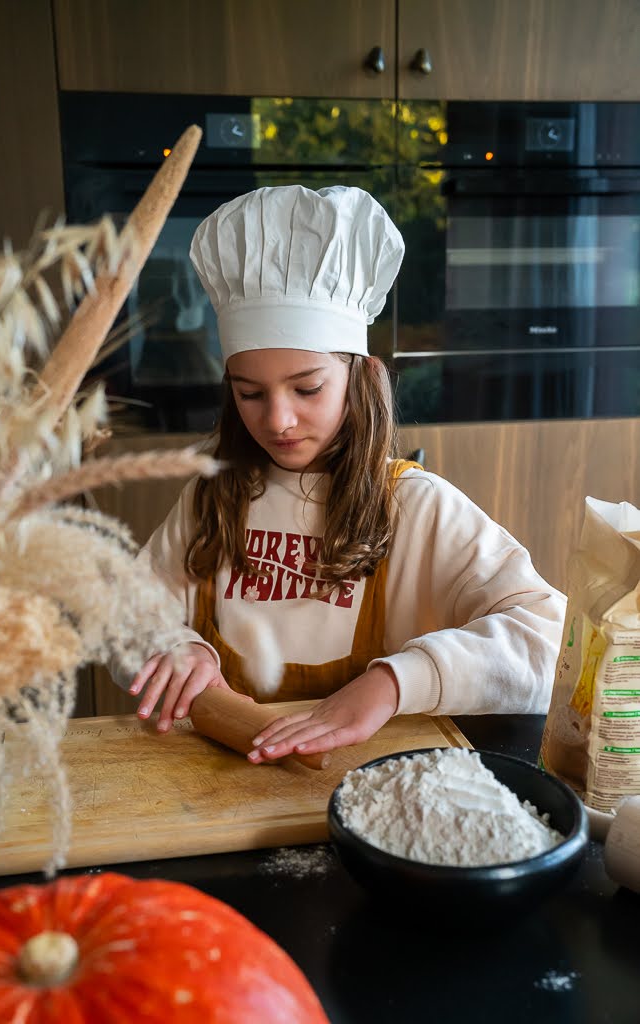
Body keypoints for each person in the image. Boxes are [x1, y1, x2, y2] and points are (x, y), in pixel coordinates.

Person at [123, 184, 566, 764]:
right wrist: (175, 647)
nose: (278, 420)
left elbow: (548, 639)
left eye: (307, 388)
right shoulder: (210, 497)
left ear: (360, 378)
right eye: (250, 393)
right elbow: (128, 608)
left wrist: (398, 681)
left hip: (367, 785)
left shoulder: (415, 505)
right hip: (210, 779)